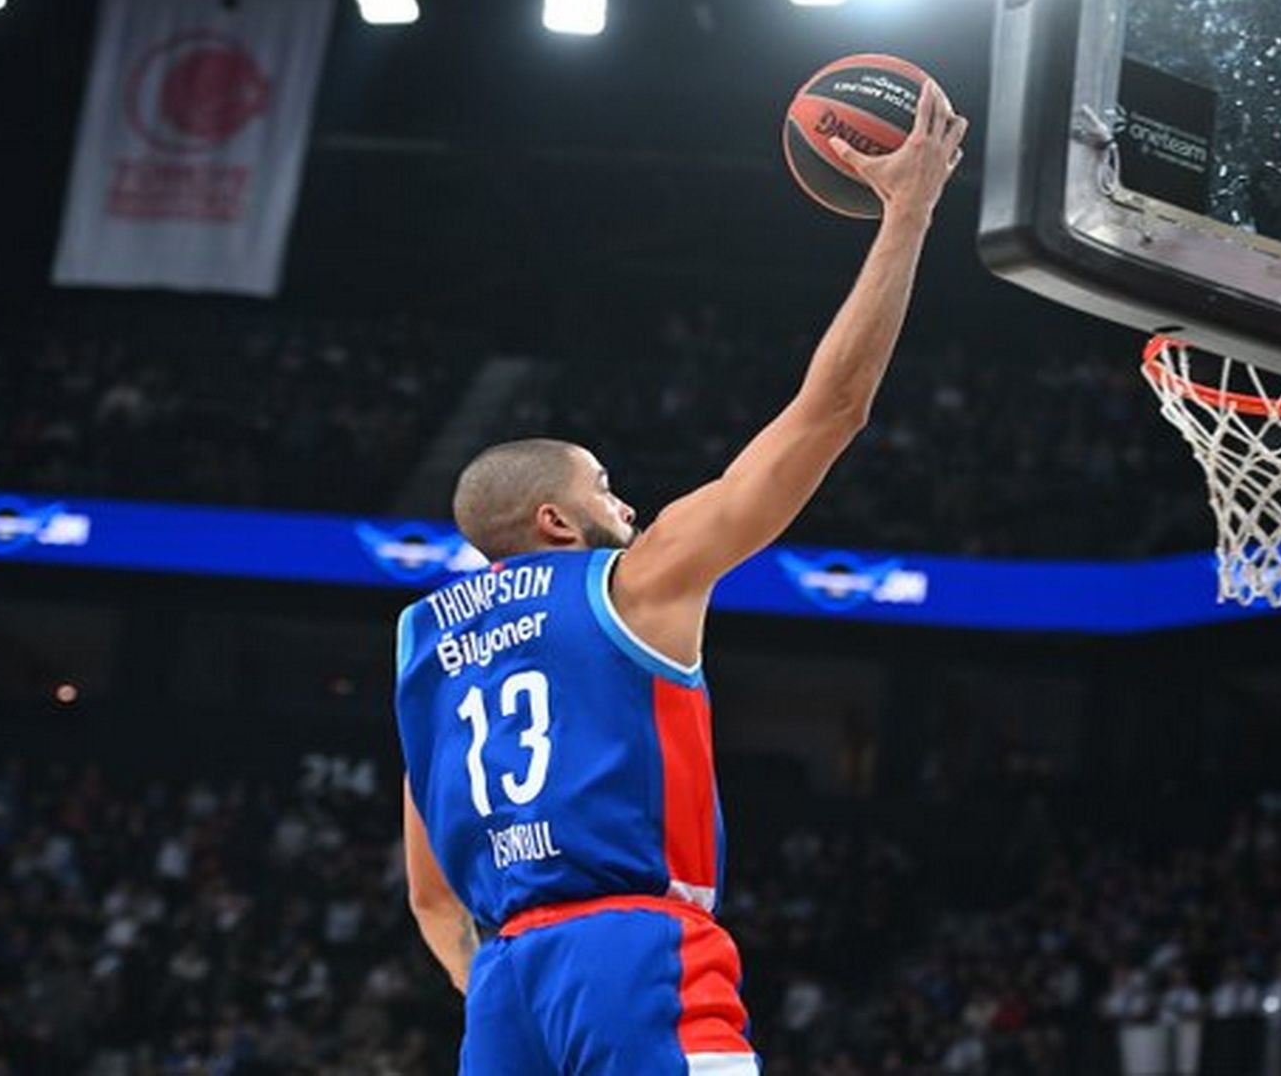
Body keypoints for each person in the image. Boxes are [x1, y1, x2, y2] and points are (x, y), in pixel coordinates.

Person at [391, 82, 970, 1073]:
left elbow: (431, 895)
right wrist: (907, 214)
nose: (627, 507)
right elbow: (830, 411)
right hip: (632, 952)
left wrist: (505, 991)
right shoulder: (628, 580)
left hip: (505, 989)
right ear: (554, 521)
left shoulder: (425, 645)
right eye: (604, 488)